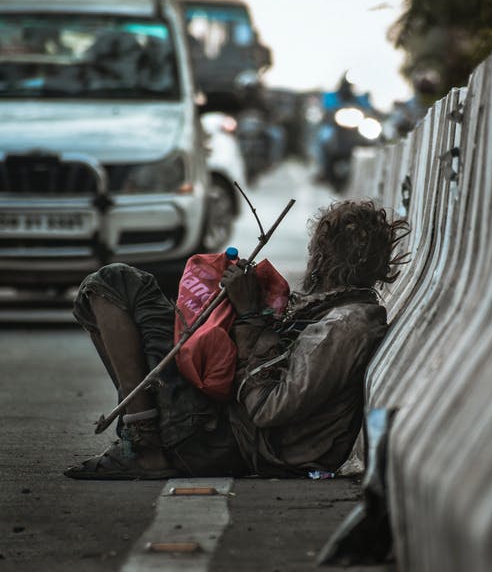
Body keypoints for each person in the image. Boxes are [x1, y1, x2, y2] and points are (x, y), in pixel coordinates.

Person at [64, 199, 408, 480]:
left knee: (113, 283)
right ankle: (143, 436)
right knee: (103, 295)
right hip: (228, 425)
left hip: (227, 438)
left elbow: (267, 408)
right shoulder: (335, 309)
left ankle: (145, 446)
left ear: (322, 256)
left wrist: (247, 316)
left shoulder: (347, 325)